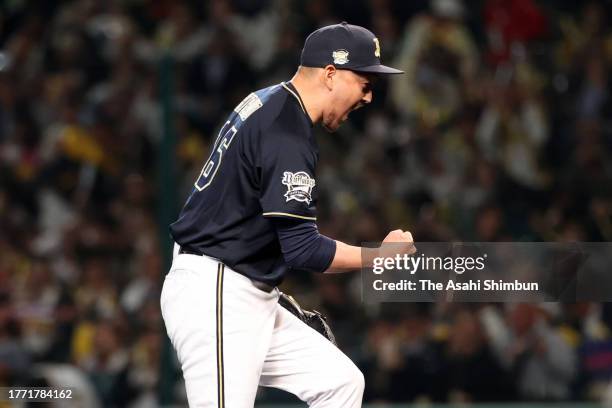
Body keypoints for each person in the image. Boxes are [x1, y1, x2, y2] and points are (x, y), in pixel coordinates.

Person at [161, 22, 415, 407]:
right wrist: (378, 257)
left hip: (239, 285)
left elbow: (246, 216)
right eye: (365, 83)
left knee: (340, 382)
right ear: (331, 74)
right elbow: (302, 249)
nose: (368, 97)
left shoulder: (269, 102)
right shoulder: (286, 133)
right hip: (217, 292)